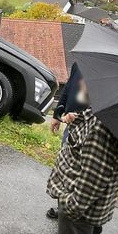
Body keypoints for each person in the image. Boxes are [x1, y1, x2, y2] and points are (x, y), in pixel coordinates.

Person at [47, 78, 118, 234]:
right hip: (82, 209)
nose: (81, 83)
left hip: (78, 216)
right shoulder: (99, 111)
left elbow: (93, 178)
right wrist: (77, 120)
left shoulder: (100, 127)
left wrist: (70, 207)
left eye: (88, 78)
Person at [47, 62, 90, 223]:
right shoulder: (79, 63)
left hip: (90, 128)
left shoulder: (105, 70)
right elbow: (68, 88)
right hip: (70, 126)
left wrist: (79, 115)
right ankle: (64, 208)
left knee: (81, 172)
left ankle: (80, 215)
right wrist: (57, 114)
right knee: (65, 168)